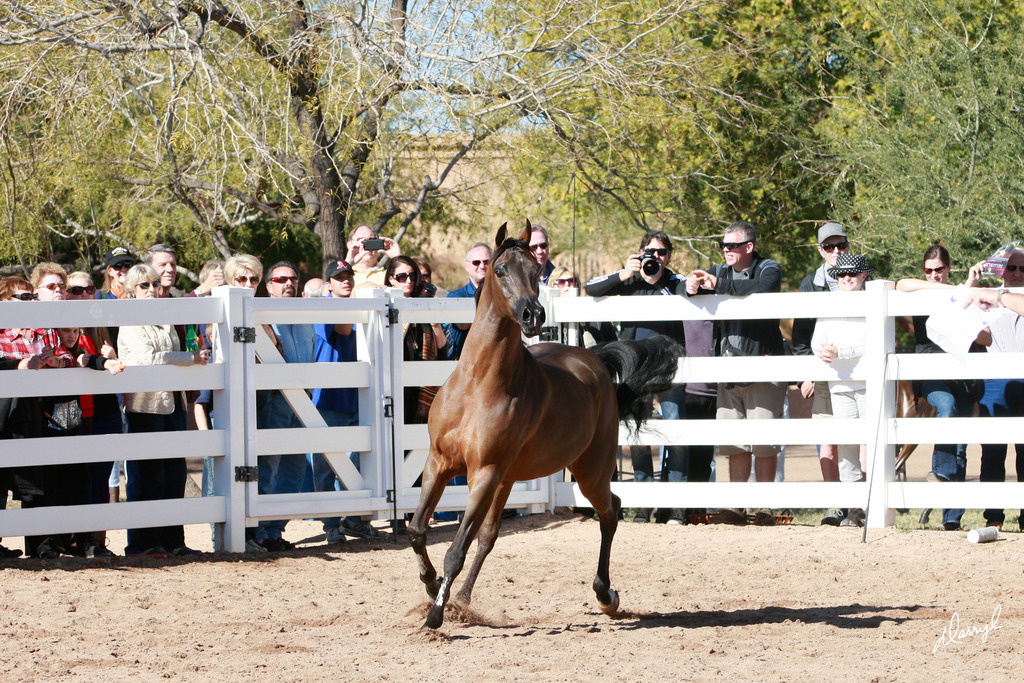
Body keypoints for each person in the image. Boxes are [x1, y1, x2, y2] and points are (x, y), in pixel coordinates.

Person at [685, 220, 785, 526]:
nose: (726, 251)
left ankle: (765, 507)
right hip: (728, 369)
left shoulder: (769, 267)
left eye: (732, 246)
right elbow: (685, 288)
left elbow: (763, 289)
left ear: (749, 247)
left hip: (763, 367)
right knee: (734, 442)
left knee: (764, 440)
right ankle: (736, 507)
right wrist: (688, 287)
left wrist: (719, 285)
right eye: (723, 246)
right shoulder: (718, 271)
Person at [586, 230, 687, 524]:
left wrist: (661, 278)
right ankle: (643, 503)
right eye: (650, 252)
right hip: (635, 367)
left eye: (661, 253)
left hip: (670, 366)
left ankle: (678, 505)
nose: (655, 258)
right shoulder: (628, 280)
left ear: (669, 256)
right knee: (637, 433)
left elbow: (689, 291)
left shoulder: (673, 281)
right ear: (640, 252)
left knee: (678, 431)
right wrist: (623, 273)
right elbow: (591, 289)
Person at [118, 263, 211, 558]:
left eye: (154, 284)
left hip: (172, 403)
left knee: (174, 472)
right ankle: (144, 542)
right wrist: (189, 357)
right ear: (132, 291)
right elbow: (148, 359)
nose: (151, 290)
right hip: (145, 406)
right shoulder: (130, 320)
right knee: (150, 474)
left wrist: (188, 358)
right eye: (143, 285)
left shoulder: (165, 319)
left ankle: (173, 540)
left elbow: (166, 355)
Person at [895, 245, 981, 530]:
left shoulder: (964, 293)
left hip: (964, 374)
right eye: (928, 269)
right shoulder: (923, 291)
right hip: (932, 370)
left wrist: (963, 288)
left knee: (960, 447)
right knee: (945, 406)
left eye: (939, 269)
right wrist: (949, 290)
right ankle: (941, 474)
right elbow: (899, 284)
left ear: (949, 267)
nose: (933, 274)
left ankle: (952, 518)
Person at [0, 275, 76, 558]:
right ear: (5, 302)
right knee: (2, 477)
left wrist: (55, 361)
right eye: (24, 298)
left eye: (33, 297)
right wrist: (22, 365)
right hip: (6, 411)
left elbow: (68, 356)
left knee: (38, 475)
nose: (31, 303)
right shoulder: (1, 333)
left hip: (40, 409)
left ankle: (41, 543)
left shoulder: (45, 330)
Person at [310, 259, 384, 542]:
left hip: (360, 394)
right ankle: (330, 524)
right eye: (339, 277)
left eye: (349, 276)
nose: (346, 281)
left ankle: (355, 519)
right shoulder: (325, 306)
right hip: (330, 395)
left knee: (360, 462)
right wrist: (362, 293)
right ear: (328, 284)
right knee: (327, 463)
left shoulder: (361, 304)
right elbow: (342, 329)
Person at [810, 254, 876, 528]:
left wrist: (840, 351)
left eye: (851, 274)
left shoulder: (872, 302)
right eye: (840, 274)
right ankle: (853, 508)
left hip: (866, 384)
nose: (845, 279)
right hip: (839, 383)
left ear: (863, 276)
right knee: (847, 444)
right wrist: (824, 352)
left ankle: (874, 502)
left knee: (872, 443)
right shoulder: (829, 305)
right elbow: (817, 340)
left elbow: (871, 342)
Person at [960, 248, 1024, 531]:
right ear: (1001, 270)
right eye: (1012, 268)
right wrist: (971, 282)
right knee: (993, 452)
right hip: (996, 380)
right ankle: (994, 516)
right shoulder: (985, 297)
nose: (1018, 274)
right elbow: (956, 310)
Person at [254, 260, 313, 552]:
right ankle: (260, 530)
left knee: (295, 470)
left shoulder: (306, 316)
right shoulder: (263, 315)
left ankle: (275, 529)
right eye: (281, 280)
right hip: (276, 400)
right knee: (269, 466)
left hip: (304, 401)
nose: (288, 283)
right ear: (269, 287)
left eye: (293, 278)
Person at [66, 271, 124, 555]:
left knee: (100, 480)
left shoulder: (105, 325)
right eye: (75, 290)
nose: (84, 295)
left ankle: (97, 542)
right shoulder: (61, 327)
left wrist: (112, 356)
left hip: (105, 410)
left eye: (89, 290)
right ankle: (74, 539)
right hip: (73, 413)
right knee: (76, 478)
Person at [792, 223, 850, 505]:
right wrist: (807, 374)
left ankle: (859, 502)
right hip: (823, 369)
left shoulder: (862, 275)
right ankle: (835, 502)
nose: (836, 251)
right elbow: (801, 335)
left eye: (841, 245)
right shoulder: (810, 283)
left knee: (858, 437)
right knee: (826, 436)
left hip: (855, 370)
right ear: (820, 250)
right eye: (829, 247)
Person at [443, 242, 492, 360]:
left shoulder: (503, 294)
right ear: (466, 266)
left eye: (487, 262)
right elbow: (462, 324)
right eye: (476, 262)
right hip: (466, 366)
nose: (482, 266)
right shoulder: (456, 296)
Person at [144, 243, 224, 298]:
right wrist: (201, 290)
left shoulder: (176, 297)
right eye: (162, 265)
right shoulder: (141, 300)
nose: (170, 269)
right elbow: (173, 312)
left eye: (173, 265)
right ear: (148, 269)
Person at [345, 225, 402, 289]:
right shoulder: (342, 275)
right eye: (361, 241)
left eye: (371, 240)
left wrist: (399, 258)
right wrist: (348, 264)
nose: (366, 245)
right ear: (349, 245)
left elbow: (408, 287)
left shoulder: (388, 276)